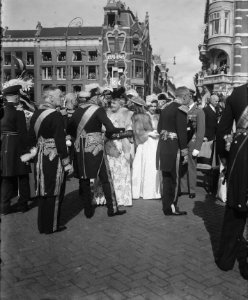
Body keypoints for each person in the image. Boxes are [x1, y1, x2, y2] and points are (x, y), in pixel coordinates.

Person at [67, 86, 127, 218]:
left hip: (80, 149)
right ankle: (112, 209)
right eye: (99, 96)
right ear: (93, 97)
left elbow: (70, 131)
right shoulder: (98, 110)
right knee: (106, 179)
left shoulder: (76, 112)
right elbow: (110, 128)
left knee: (84, 179)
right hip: (96, 149)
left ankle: (88, 211)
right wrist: (105, 137)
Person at [27, 87, 73, 234]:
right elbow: (60, 142)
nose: (62, 98)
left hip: (41, 157)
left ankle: (42, 225)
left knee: (43, 191)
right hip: (54, 158)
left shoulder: (36, 114)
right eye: (59, 96)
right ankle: (51, 226)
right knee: (54, 191)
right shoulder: (55, 115)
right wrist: (67, 163)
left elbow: (31, 138)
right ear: (50, 98)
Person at [215, 83, 248, 280]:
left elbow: (222, 131)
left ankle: (225, 260)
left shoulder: (237, 93)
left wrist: (225, 159)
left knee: (235, 212)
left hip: (240, 156)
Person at [156, 86, 189, 216]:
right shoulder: (180, 110)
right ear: (184, 96)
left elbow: (159, 129)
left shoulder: (165, 108)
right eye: (189, 97)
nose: (189, 99)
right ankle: (172, 206)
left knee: (166, 177)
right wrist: (185, 152)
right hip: (174, 147)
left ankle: (166, 207)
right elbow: (182, 133)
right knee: (175, 178)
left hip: (163, 146)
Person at [0, 84, 31, 215]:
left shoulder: (2, 110)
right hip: (17, 145)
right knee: (23, 175)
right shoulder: (18, 112)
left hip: (4, 144)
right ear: (16, 96)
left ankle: (5, 206)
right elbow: (23, 133)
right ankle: (23, 204)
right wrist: (27, 150)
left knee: (6, 177)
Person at [104, 88, 133, 206]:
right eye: (111, 103)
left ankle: (121, 198)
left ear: (120, 102)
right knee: (109, 171)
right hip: (108, 146)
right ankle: (108, 198)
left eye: (114, 102)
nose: (112, 105)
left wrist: (117, 135)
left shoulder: (127, 113)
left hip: (121, 146)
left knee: (120, 172)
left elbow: (130, 132)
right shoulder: (106, 113)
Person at [131, 96, 161, 200]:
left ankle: (154, 191)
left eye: (155, 106)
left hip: (156, 143)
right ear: (147, 106)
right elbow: (138, 131)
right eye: (151, 106)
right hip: (146, 143)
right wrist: (149, 133)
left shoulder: (158, 116)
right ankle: (145, 191)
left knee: (154, 166)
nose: (153, 108)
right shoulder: (142, 116)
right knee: (146, 165)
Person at [180, 91, 205, 198]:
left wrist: (198, 147)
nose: (183, 99)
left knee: (191, 166)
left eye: (184, 97)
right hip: (183, 141)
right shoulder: (182, 109)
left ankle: (192, 190)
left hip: (193, 142)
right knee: (183, 164)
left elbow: (201, 130)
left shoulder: (199, 111)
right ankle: (184, 188)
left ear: (190, 97)